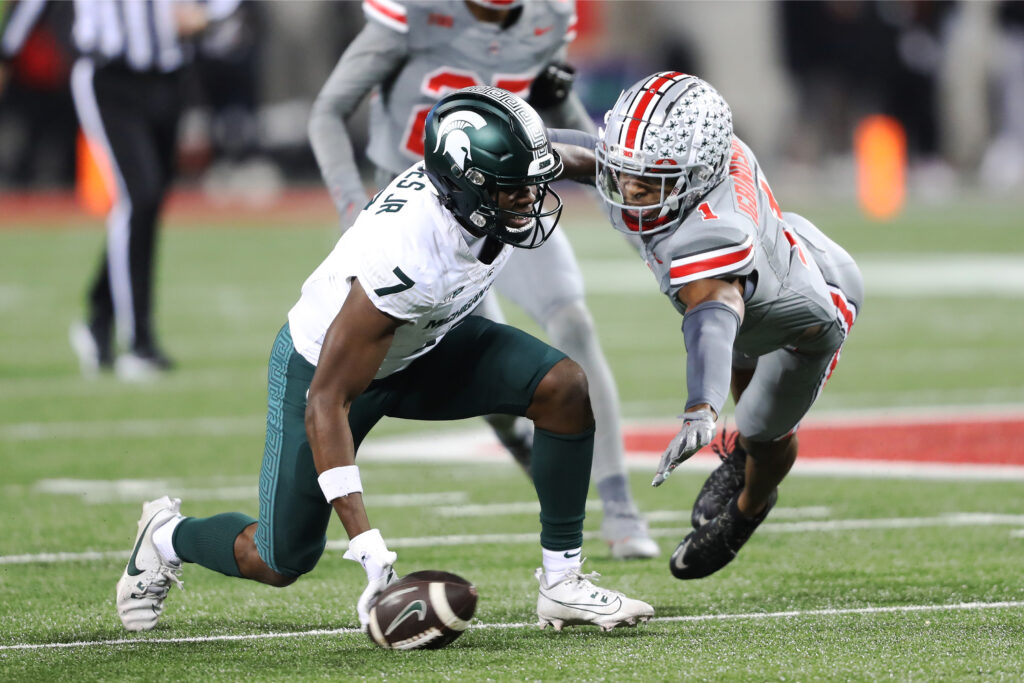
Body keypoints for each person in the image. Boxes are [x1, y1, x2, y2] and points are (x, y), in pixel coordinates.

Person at [114, 86, 654, 635]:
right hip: (327, 373)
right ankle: (166, 535)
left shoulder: (483, 183)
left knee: (563, 387)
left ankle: (562, 583)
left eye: (532, 184)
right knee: (279, 560)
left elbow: (573, 158)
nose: (531, 200)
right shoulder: (407, 256)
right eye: (514, 189)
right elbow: (326, 402)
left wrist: (636, 177)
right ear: (467, 185)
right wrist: (368, 548)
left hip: (423, 344)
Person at [307, 0, 658, 560]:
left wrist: (637, 220)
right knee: (477, 356)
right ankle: (518, 438)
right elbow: (328, 111)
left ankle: (619, 504)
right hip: (427, 218)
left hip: (509, 198)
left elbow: (557, 114)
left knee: (574, 321)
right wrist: (356, 210)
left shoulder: (547, 17)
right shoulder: (414, 11)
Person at [553, 72, 863, 579]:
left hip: (811, 314)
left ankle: (748, 509)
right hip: (773, 271)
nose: (630, 188)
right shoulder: (686, 159)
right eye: (628, 171)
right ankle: (740, 457)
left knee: (761, 427)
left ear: (696, 176)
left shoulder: (714, 235)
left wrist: (701, 408)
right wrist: (508, 143)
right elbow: (591, 156)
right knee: (745, 360)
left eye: (649, 180)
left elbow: (713, 318)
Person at [0, 0, 240, 380]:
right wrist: (6, 54)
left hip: (169, 74)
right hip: (107, 74)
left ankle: (99, 318)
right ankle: (139, 343)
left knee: (148, 204)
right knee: (139, 197)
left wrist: (208, 14)